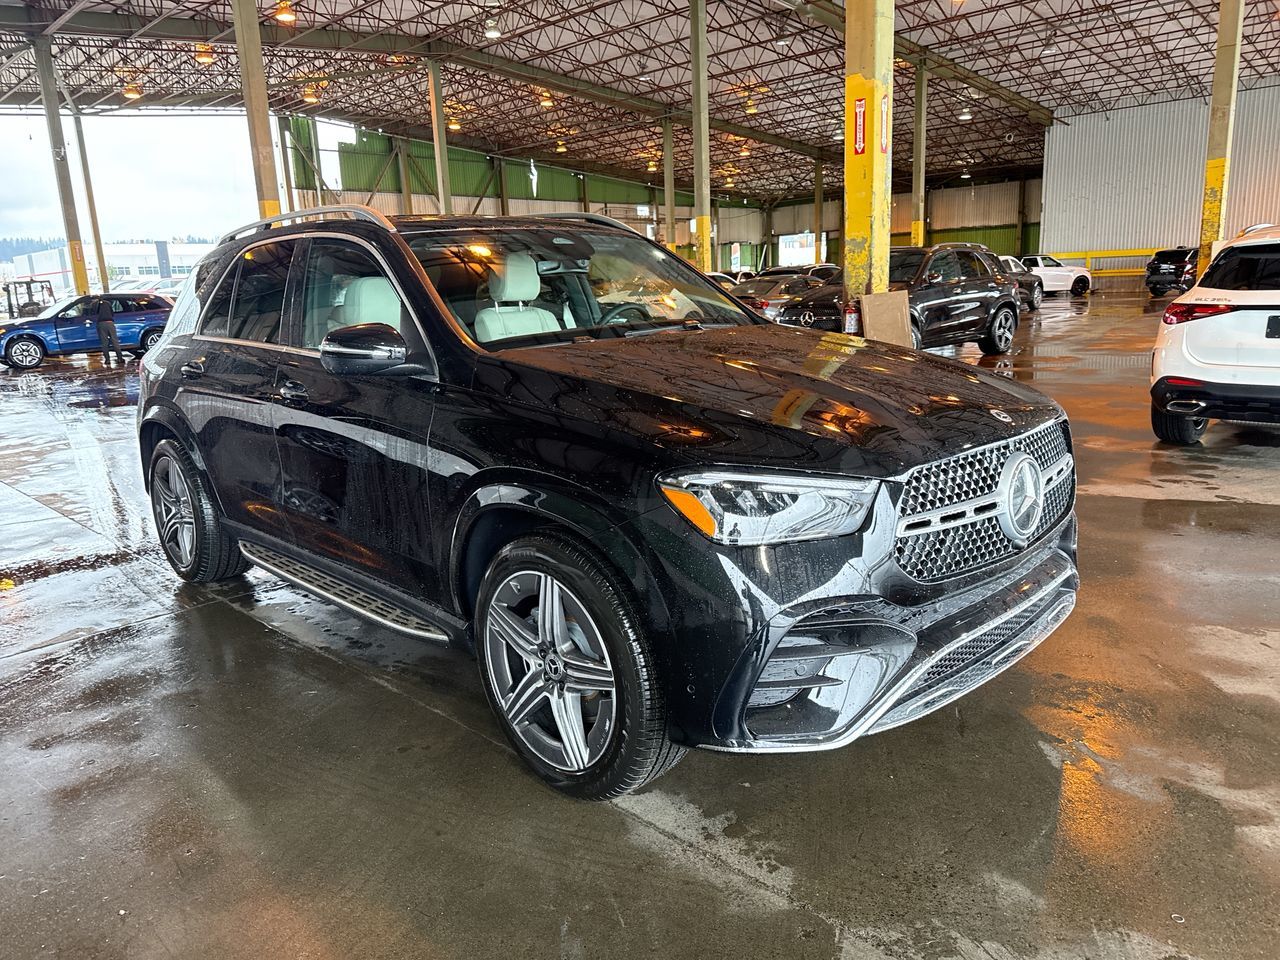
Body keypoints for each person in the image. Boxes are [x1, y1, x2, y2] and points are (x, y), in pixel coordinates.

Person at [95, 297, 126, 365]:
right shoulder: (108, 303)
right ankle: (120, 358)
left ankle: (107, 360)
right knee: (115, 341)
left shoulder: (94, 304)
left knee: (104, 343)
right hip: (110, 322)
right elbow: (112, 313)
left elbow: (94, 313)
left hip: (101, 324)